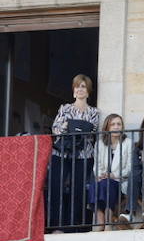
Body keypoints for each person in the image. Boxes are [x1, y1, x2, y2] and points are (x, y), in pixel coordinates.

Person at [48, 74, 101, 232]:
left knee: (79, 191)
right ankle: (56, 226)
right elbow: (56, 129)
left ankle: (75, 226)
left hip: (83, 156)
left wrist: (69, 126)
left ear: (88, 91)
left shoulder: (94, 112)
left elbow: (91, 131)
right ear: (73, 90)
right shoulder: (64, 108)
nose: (80, 89)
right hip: (61, 154)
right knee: (56, 188)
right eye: (77, 86)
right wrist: (73, 127)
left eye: (83, 86)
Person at [90, 113, 131, 231]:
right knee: (94, 185)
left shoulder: (128, 143)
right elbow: (96, 165)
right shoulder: (100, 143)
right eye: (113, 124)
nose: (116, 127)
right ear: (107, 127)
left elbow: (130, 167)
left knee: (107, 184)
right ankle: (100, 218)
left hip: (120, 181)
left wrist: (114, 175)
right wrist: (101, 175)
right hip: (103, 181)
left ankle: (107, 221)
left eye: (119, 124)